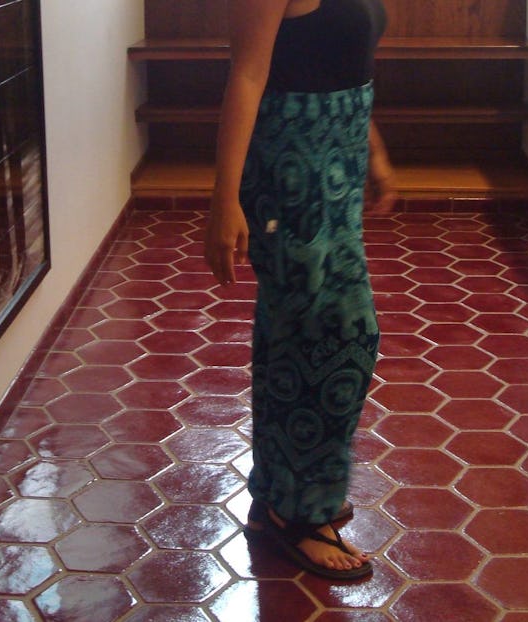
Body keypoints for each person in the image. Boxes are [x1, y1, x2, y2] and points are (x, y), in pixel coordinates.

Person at [204, 0, 396, 580]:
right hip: (291, 169)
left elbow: (345, 60)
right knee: (343, 338)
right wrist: (223, 200)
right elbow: (248, 74)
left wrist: (375, 151)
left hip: (337, 162)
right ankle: (301, 514)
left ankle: (279, 497)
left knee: (292, 336)